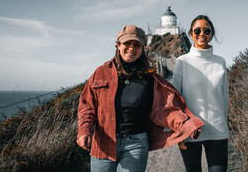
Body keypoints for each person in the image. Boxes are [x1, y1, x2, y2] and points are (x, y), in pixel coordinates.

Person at [77, 25, 204, 172]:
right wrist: (84, 131)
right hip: (102, 143)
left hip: (136, 144)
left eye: (137, 45)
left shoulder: (149, 79)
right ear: (118, 45)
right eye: (127, 43)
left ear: (142, 48)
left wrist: (185, 128)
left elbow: (165, 110)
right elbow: (87, 105)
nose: (131, 48)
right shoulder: (101, 73)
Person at [172, 15, 229, 172]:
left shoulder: (221, 62)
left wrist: (225, 126)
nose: (201, 33)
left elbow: (225, 98)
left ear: (212, 34)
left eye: (206, 30)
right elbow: (175, 99)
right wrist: (178, 132)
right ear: (191, 34)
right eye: (197, 30)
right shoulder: (182, 62)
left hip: (218, 131)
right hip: (190, 130)